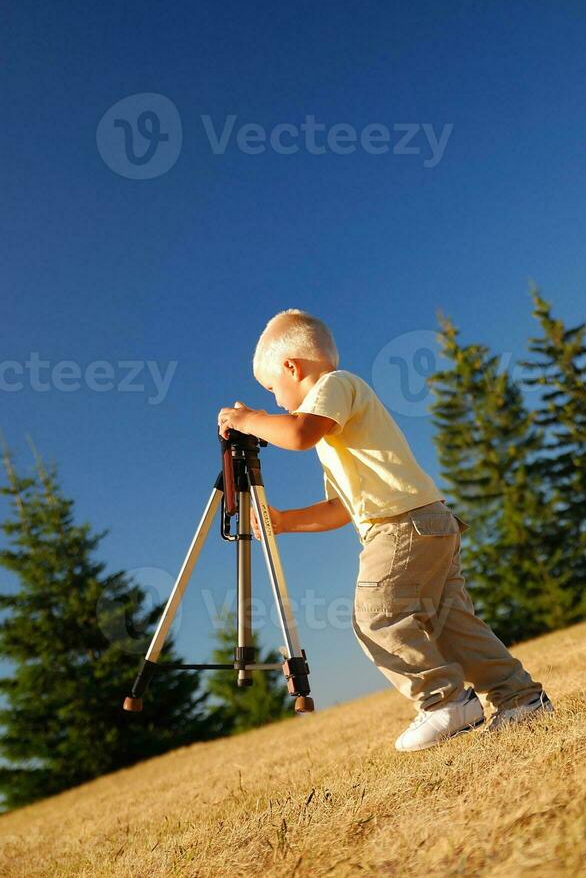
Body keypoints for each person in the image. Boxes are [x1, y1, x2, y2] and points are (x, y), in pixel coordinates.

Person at [218, 308, 553, 752]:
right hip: (427, 520)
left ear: (291, 368)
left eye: (272, 389)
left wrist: (247, 420)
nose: (276, 401)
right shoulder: (336, 429)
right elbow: (341, 508)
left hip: (402, 526)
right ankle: (522, 700)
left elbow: (297, 434)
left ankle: (444, 703)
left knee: (377, 616)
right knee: (452, 623)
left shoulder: (335, 386)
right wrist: (284, 522)